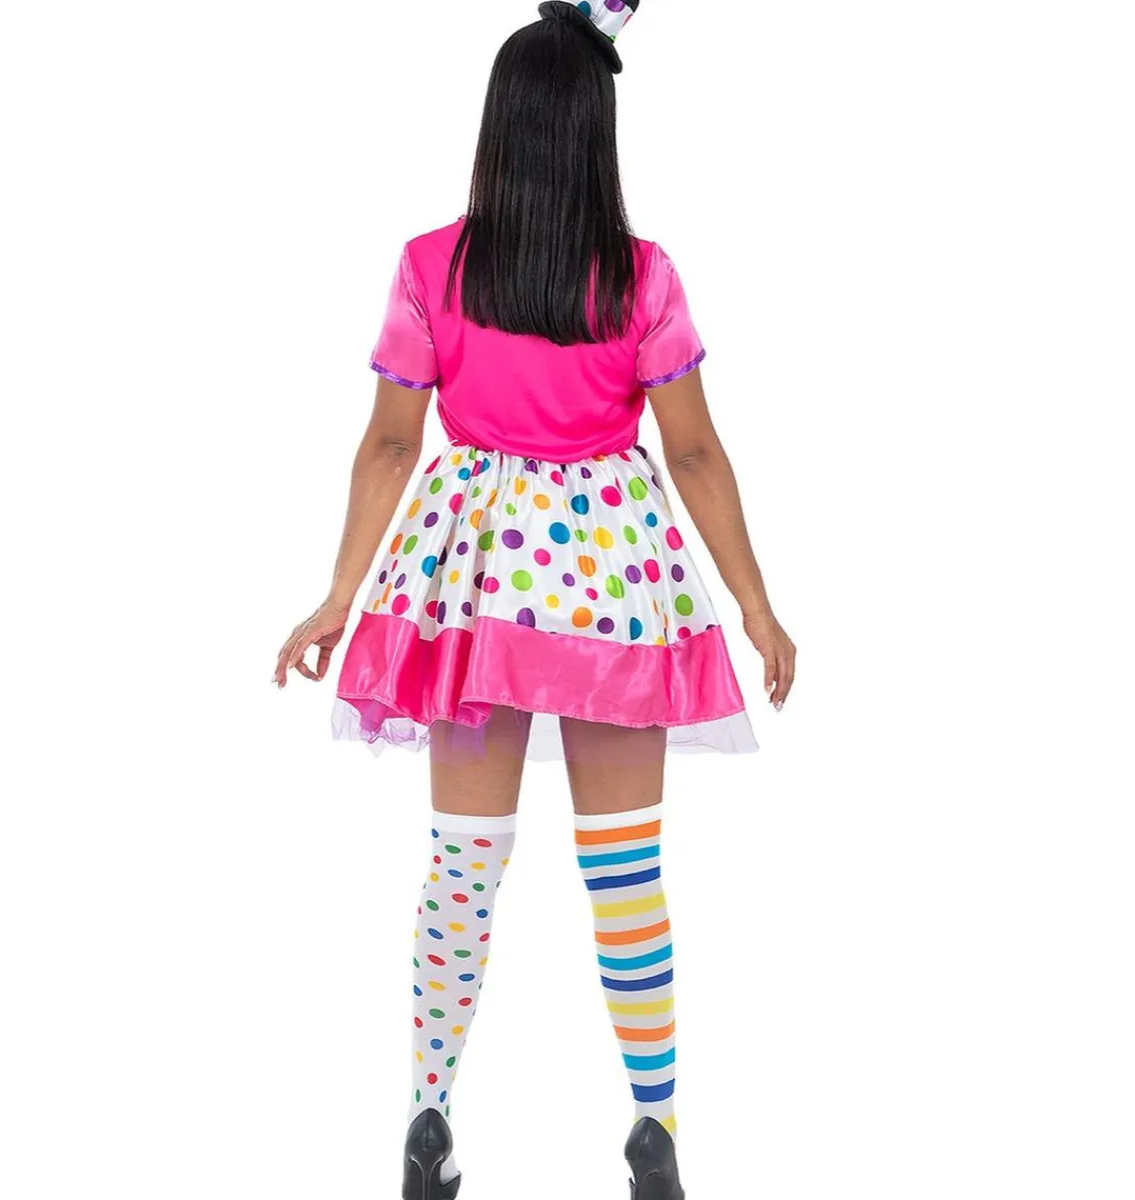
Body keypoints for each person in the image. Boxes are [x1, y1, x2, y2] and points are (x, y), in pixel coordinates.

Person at [274, 3, 796, 1196]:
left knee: (463, 864)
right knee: (625, 870)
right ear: (596, 130)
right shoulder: (642, 278)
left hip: (473, 586)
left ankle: (429, 1115)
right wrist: (755, 606)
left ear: (499, 125)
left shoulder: (433, 267)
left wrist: (339, 595)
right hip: (610, 584)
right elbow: (695, 453)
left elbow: (390, 444)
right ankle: (655, 1126)